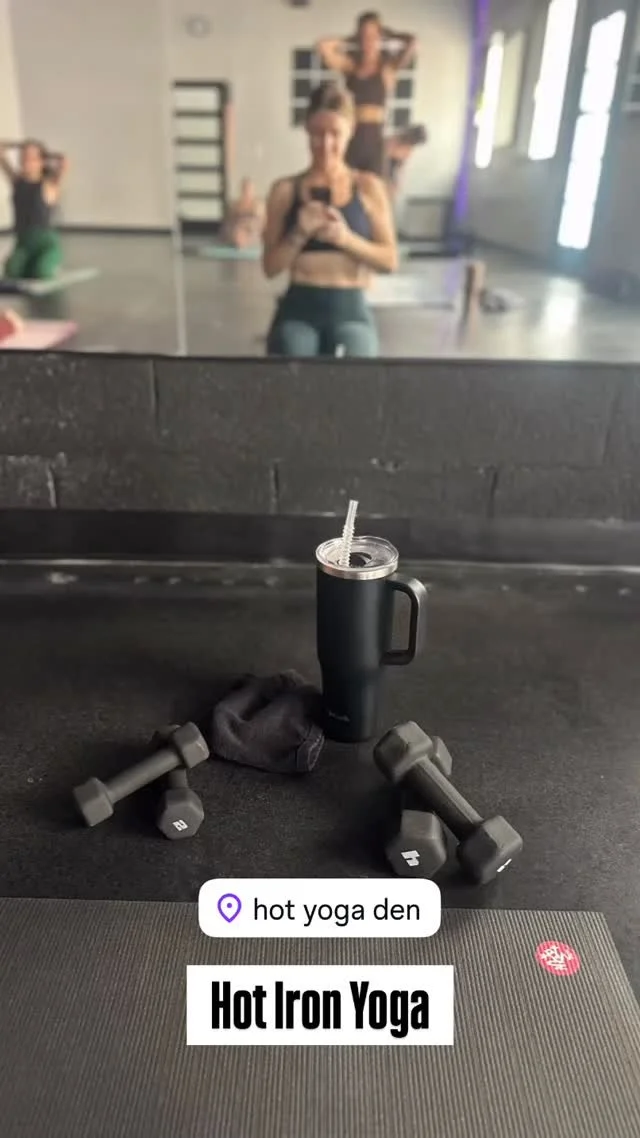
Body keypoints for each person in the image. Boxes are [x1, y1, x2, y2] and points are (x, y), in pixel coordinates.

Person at [262, 81, 398, 358]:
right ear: (306, 131)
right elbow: (270, 267)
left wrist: (345, 239)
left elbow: (389, 261)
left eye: (335, 134)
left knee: (354, 362)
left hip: (350, 307)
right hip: (299, 308)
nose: (325, 145)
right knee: (292, 357)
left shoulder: (368, 187)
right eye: (317, 134)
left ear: (350, 131)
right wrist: (298, 234)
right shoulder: (285, 190)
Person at [317, 12, 417, 176]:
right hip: (351, 139)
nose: (368, 40)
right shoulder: (350, 67)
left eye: (372, 35)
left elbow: (412, 42)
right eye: (363, 35)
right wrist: (350, 39)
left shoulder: (387, 70)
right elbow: (323, 46)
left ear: (379, 36)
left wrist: (390, 34)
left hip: (375, 143)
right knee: (347, 185)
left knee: (375, 187)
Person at [0, 140, 67, 280]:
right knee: (11, 271)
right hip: (23, 242)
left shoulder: (48, 185)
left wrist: (56, 161)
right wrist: (14, 147)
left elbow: (63, 165)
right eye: (23, 158)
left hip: (45, 244)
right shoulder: (17, 182)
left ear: (41, 162)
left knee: (42, 272)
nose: (26, 162)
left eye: (31, 159)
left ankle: (51, 261)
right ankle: (30, 264)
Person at [384, 123, 428, 198]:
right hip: (379, 166)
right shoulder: (394, 138)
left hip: (390, 173)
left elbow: (400, 169)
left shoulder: (408, 150)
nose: (413, 143)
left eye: (415, 142)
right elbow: (383, 154)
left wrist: (397, 185)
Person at [220, 177, 265, 248]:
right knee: (237, 233)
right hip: (238, 230)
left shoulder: (259, 205)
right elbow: (229, 222)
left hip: (253, 231)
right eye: (245, 189)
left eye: (249, 189)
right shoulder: (235, 205)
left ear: (253, 190)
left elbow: (263, 223)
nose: (247, 191)